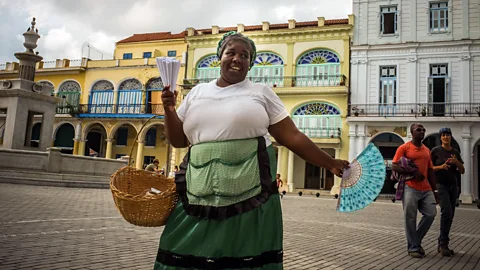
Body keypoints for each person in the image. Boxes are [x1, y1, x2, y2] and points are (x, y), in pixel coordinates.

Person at [154, 31, 349, 269]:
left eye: (244, 55)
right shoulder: (198, 92)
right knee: (181, 243)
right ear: (220, 57)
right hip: (198, 187)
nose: (237, 58)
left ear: (250, 63)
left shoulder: (261, 92)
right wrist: (170, 109)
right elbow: (178, 140)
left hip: (250, 191)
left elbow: (292, 136)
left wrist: (330, 163)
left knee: (243, 248)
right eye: (231, 53)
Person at [392, 123, 437, 258]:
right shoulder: (404, 148)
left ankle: (415, 240)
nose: (422, 132)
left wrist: (435, 191)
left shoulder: (426, 150)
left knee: (431, 214)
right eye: (418, 130)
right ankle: (413, 247)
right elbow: (394, 166)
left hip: (426, 187)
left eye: (423, 130)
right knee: (410, 218)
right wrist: (412, 171)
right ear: (412, 132)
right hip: (409, 186)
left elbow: (430, 170)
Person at [431, 127, 464, 256]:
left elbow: (462, 171)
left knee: (450, 215)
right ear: (440, 137)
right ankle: (443, 243)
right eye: (443, 135)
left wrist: (457, 162)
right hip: (440, 185)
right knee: (447, 211)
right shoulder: (435, 151)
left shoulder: (455, 152)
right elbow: (429, 168)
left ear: (451, 137)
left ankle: (443, 243)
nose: (446, 137)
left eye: (448, 135)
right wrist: (441, 166)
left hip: (453, 186)